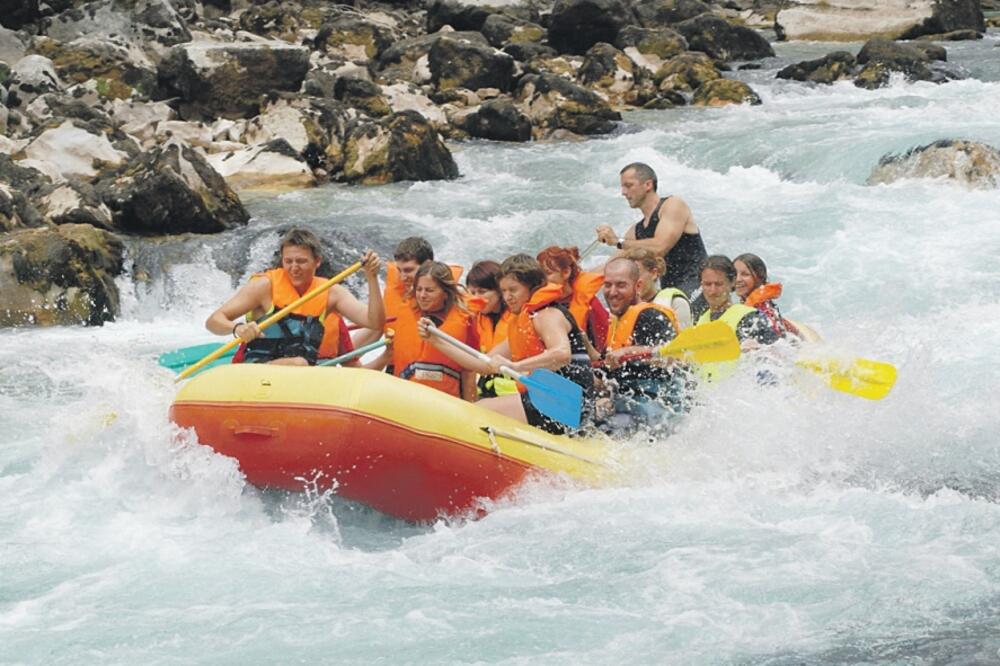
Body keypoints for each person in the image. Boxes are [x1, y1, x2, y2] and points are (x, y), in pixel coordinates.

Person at [419, 254, 594, 435]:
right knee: (479, 407)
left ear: (532, 287)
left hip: (566, 403)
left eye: (513, 290)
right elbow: (484, 364)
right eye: (503, 291)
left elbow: (562, 354)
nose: (507, 297)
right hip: (548, 399)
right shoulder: (523, 325)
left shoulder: (548, 315)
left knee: (478, 410)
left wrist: (516, 366)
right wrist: (436, 340)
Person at [206, 228, 383, 366]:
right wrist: (237, 328)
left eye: (301, 261)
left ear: (317, 261)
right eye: (288, 261)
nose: (293, 268)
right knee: (300, 363)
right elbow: (213, 321)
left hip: (299, 375)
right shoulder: (264, 286)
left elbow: (374, 322)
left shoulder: (331, 292)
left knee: (301, 364)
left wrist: (372, 278)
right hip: (256, 369)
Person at [594, 162, 707, 304]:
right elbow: (612, 265)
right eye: (622, 186)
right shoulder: (636, 231)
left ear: (648, 185)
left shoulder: (673, 205)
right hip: (669, 291)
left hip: (700, 284)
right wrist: (575, 276)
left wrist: (617, 241)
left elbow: (660, 247)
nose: (623, 192)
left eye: (628, 185)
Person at [598, 257, 687, 436]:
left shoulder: (650, 315)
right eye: (608, 285)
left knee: (613, 427)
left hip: (660, 409)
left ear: (638, 286)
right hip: (628, 405)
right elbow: (606, 375)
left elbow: (674, 357)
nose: (612, 292)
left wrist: (629, 351)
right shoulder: (615, 322)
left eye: (621, 285)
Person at [370, 261, 477, 401]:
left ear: (446, 293)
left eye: (429, 290)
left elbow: (469, 373)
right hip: (405, 396)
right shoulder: (405, 311)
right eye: (419, 289)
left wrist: (471, 405)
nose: (422, 295)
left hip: (446, 401)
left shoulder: (465, 320)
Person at [355, 236, 463, 347]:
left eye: (408, 270)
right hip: (402, 363)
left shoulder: (457, 301)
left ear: (428, 265)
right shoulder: (397, 298)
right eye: (399, 270)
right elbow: (373, 331)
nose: (402, 278)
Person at [695, 255, 780, 382]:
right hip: (710, 395)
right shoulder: (701, 320)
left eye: (718, 284)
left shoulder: (751, 318)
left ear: (732, 283)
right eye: (707, 284)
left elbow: (778, 358)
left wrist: (758, 351)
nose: (712, 291)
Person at [536, 245, 609, 356]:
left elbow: (603, 349)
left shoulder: (591, 305)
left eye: (548, 273)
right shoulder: (539, 306)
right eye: (539, 275)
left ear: (566, 272)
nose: (542, 280)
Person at [466, 260, 517, 397]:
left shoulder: (517, 317)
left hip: (514, 393)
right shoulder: (474, 318)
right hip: (488, 389)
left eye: (482, 292)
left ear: (499, 291)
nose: (476, 298)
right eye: (472, 292)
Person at [733, 253, 800, 339]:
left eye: (745, 274)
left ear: (759, 277)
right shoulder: (763, 304)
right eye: (734, 274)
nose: (738, 279)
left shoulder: (760, 310)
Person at [623, 247, 692, 329]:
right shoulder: (620, 307)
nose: (632, 280)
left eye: (637, 273)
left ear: (654, 273)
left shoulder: (676, 303)